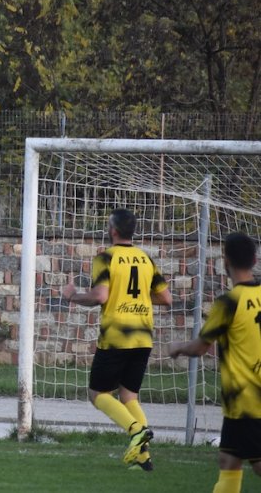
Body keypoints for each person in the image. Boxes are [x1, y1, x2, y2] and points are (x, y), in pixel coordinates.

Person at [61, 208, 172, 470]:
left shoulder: (106, 258)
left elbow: (100, 296)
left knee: (97, 393)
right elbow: (166, 299)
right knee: (129, 396)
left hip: (116, 336)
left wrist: (73, 296)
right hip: (143, 335)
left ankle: (135, 431)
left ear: (112, 230)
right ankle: (144, 457)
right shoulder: (146, 259)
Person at [170, 232, 261, 493]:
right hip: (243, 401)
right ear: (254, 260)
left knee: (254, 464)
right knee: (229, 460)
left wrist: (177, 347)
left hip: (247, 399)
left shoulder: (228, 303)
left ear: (225, 262)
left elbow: (200, 347)